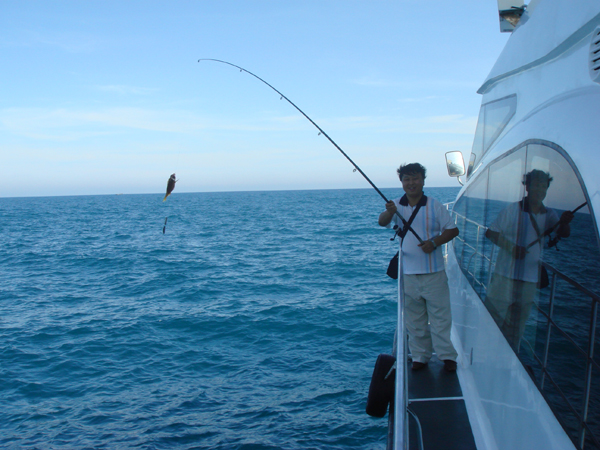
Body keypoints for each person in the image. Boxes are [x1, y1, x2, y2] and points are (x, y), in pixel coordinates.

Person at [379, 163, 459, 372]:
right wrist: (389, 212)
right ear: (401, 182)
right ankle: (420, 357)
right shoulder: (395, 204)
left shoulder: (435, 205)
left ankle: (447, 356)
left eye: (415, 178)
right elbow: (382, 222)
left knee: (440, 317)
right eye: (406, 179)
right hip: (408, 274)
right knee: (414, 320)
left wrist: (434, 242)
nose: (411, 183)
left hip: (434, 273)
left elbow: (452, 230)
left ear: (423, 180)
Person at [485, 169, 573, 350]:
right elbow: (491, 233)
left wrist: (564, 222)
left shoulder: (549, 214)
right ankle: (485, 354)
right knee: (492, 319)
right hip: (504, 277)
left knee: (516, 327)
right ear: (527, 187)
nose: (539, 189)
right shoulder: (512, 210)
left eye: (543, 185)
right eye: (536, 185)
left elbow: (563, 233)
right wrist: (511, 247)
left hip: (529, 281)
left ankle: (508, 361)